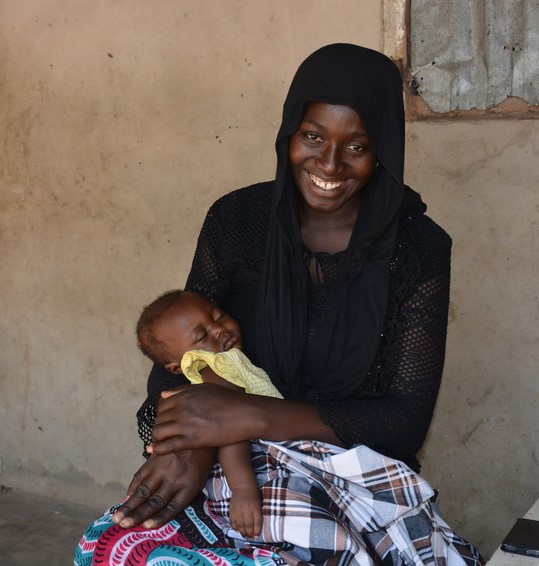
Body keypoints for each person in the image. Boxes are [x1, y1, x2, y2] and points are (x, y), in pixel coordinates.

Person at [76, 43, 484, 565]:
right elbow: (176, 355)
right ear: (289, 132)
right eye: (312, 136)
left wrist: (249, 415)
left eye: (357, 146)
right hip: (231, 464)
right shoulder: (235, 222)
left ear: (383, 147)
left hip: (351, 479)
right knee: (115, 549)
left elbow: (403, 421)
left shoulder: (419, 250)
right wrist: (190, 448)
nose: (330, 163)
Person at [136, 288, 283, 538]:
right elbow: (231, 429)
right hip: (245, 466)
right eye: (201, 335)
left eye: (218, 316)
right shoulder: (217, 367)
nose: (219, 329)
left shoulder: (231, 360)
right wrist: (243, 489)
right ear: (177, 366)